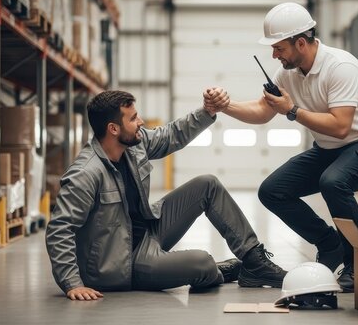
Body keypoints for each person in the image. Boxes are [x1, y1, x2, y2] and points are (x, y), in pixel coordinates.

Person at [204, 2, 358, 293]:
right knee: (272, 191)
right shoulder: (287, 74)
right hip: (331, 147)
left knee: (334, 182)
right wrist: (224, 107)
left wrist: (292, 110)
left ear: (301, 43)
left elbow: (342, 125)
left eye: (279, 48)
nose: (274, 55)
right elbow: (262, 112)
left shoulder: (340, 67)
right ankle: (330, 245)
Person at [45, 90, 287, 301]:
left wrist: (207, 111)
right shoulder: (85, 173)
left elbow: (172, 134)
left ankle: (254, 261)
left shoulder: (133, 144)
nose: (140, 121)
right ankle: (220, 270)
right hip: (124, 263)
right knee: (201, 262)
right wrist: (72, 283)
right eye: (133, 118)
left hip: (149, 230)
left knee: (207, 184)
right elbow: (59, 229)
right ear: (113, 129)